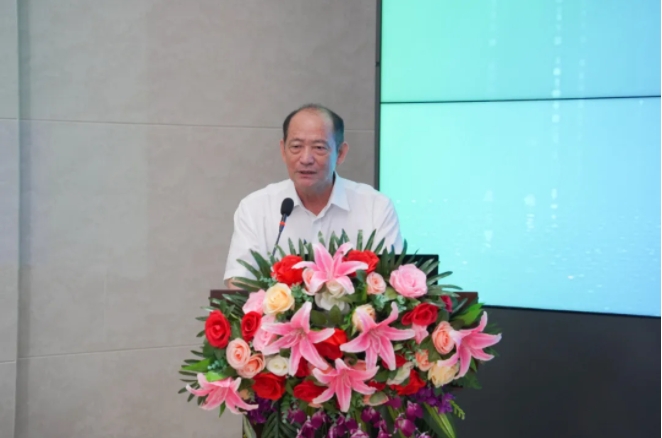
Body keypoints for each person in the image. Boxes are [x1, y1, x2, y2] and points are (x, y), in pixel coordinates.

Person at [224, 104, 403, 287]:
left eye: (319, 147)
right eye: (296, 146)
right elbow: (239, 282)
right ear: (283, 151)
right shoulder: (255, 208)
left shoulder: (376, 207)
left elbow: (390, 282)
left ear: (340, 153)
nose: (306, 159)